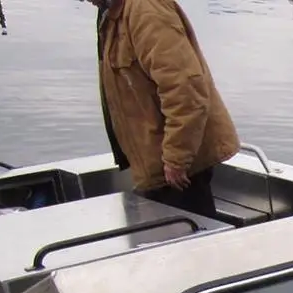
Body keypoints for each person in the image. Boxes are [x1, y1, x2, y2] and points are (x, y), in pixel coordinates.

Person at [91, 0, 240, 218]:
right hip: (156, 166)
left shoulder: (146, 10)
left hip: (177, 171)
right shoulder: (112, 13)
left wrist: (176, 159)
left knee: (193, 236)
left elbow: (185, 89)